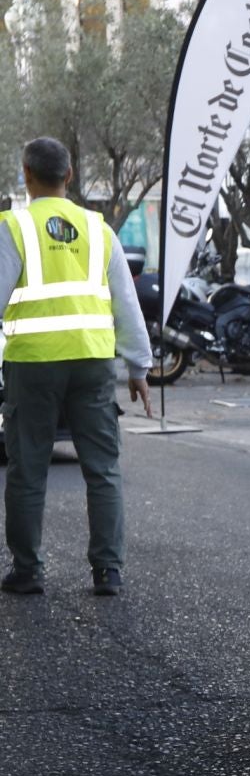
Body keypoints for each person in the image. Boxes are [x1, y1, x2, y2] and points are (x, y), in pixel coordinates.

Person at [0, 138, 154, 596]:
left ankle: (28, 570)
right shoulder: (98, 228)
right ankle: (107, 571)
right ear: (69, 175)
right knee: (102, 469)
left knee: (28, 470)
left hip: (32, 365)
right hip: (92, 362)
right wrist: (139, 367)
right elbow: (126, 303)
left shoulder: (14, 227)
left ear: (27, 174)